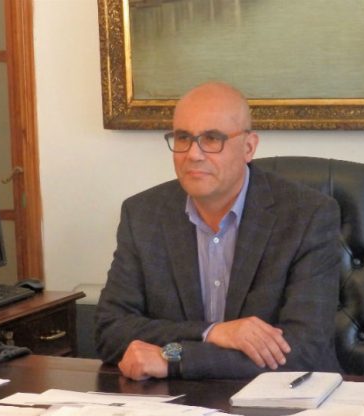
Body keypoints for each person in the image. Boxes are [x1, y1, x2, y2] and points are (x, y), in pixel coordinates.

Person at [95, 81, 342, 380]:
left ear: (248, 147)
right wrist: (212, 332)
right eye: (183, 137)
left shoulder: (307, 215)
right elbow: (110, 331)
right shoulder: (143, 215)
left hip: (280, 400)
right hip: (174, 401)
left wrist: (174, 358)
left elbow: (303, 349)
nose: (193, 154)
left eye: (212, 139)